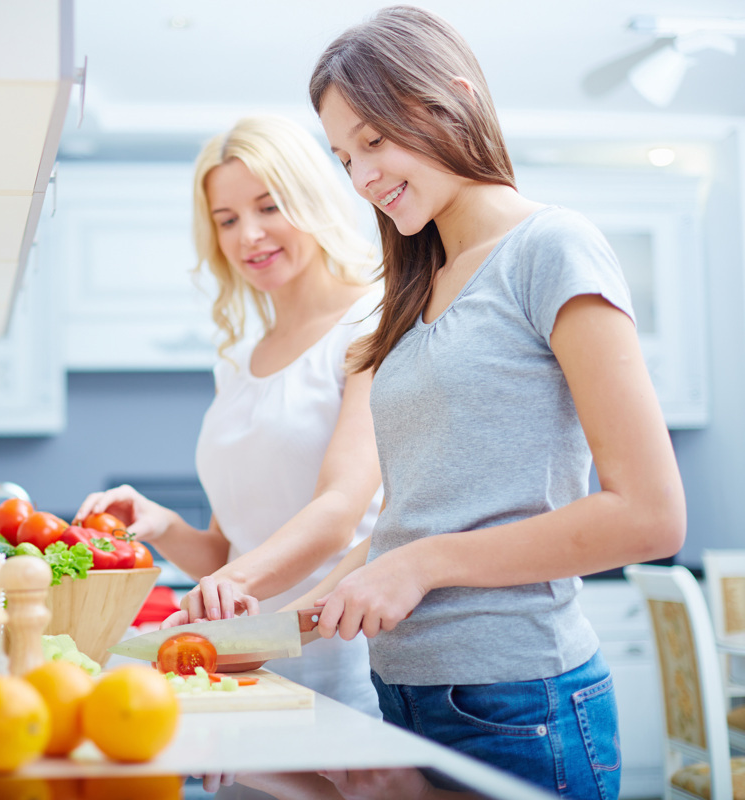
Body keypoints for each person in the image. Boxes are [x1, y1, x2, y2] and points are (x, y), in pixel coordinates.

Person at [263, 6, 683, 797]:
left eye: (374, 140)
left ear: (450, 98)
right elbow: (412, 522)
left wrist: (422, 566)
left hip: (519, 704)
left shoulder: (550, 249)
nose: (361, 178)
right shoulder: (415, 293)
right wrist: (274, 629)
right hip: (405, 694)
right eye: (344, 156)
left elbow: (651, 514)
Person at [75, 114, 385, 714]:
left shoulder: (372, 324)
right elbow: (228, 552)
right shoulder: (240, 362)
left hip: (337, 659)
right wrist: (161, 525)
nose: (249, 236)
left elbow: (339, 511)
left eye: (269, 207)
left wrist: (235, 586)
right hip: (240, 665)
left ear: (312, 201)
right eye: (227, 220)